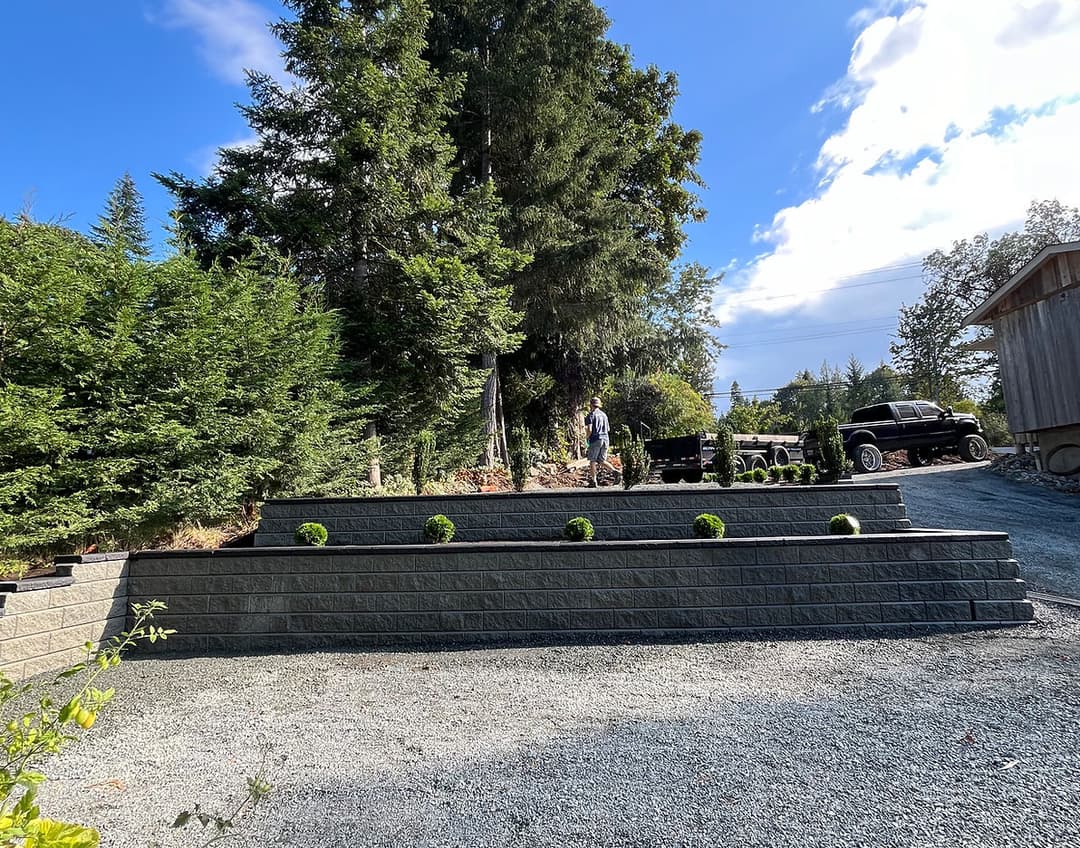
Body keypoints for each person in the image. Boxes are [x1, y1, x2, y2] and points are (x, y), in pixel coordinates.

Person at [584, 396, 622, 487]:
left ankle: (593, 481)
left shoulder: (590, 416)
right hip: (605, 439)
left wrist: (586, 438)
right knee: (601, 460)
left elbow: (589, 429)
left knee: (592, 460)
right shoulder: (604, 415)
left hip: (596, 439)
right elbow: (608, 429)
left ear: (591, 405)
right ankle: (616, 472)